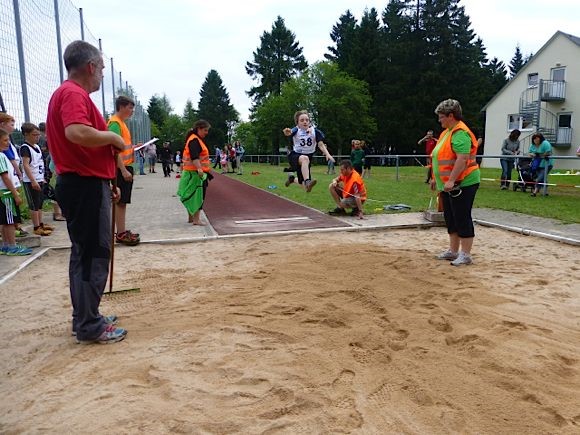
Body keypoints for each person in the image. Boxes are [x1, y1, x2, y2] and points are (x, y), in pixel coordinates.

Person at [46, 40, 128, 344]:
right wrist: (112, 138)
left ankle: (86, 316)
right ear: (91, 66)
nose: (103, 74)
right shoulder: (71, 93)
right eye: (102, 68)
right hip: (83, 185)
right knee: (93, 254)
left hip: (88, 184)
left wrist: (107, 185)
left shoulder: (70, 94)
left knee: (85, 253)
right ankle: (88, 324)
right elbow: (76, 132)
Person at [431, 99, 480, 267]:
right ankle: (453, 251)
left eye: (441, 117)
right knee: (450, 217)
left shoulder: (460, 132)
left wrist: (451, 180)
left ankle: (465, 254)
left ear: (451, 116)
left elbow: (462, 158)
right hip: (448, 184)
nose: (439, 120)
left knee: (462, 216)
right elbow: (439, 156)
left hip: (463, 183)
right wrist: (434, 178)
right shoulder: (447, 132)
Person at [107, 95, 140, 246]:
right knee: (119, 201)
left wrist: (134, 147)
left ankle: (121, 230)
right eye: (130, 107)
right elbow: (113, 150)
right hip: (121, 168)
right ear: (121, 106)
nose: (132, 111)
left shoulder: (121, 123)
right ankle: (119, 233)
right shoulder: (115, 124)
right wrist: (123, 170)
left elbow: (122, 147)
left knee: (123, 201)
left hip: (125, 166)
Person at [282, 110, 334, 192]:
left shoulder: (315, 132)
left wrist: (327, 154)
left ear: (309, 122)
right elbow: (289, 132)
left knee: (305, 187)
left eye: (307, 120)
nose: (305, 122)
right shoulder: (296, 130)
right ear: (298, 123)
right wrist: (287, 132)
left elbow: (320, 144)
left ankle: (292, 179)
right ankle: (307, 181)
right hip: (295, 156)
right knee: (304, 158)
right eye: (302, 120)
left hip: (306, 162)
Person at [0, 128, 32, 256]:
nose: (8, 143)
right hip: (6, 194)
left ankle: (6, 245)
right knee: (9, 221)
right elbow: (5, 177)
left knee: (4, 221)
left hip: (3, 193)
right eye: (5, 140)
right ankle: (12, 246)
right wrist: (15, 194)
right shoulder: (1, 156)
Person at [20, 122, 53, 236]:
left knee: (39, 203)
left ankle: (41, 223)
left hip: (39, 179)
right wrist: (33, 180)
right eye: (34, 135)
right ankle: (36, 227)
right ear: (26, 135)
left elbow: (39, 163)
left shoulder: (37, 147)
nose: (37, 137)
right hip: (31, 181)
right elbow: (26, 165)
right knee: (34, 205)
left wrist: (42, 177)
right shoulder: (25, 148)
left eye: (38, 134)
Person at [177, 120, 213, 226]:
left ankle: (191, 217)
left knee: (191, 194)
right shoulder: (195, 140)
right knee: (198, 196)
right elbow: (194, 156)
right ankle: (196, 219)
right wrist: (199, 169)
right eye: (205, 130)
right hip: (195, 174)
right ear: (199, 129)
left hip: (189, 172)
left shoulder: (193, 139)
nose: (206, 133)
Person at [0, 113, 28, 237]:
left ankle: (13, 232)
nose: (13, 127)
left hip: (8, 182)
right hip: (6, 187)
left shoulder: (7, 141)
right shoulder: (2, 149)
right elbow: (10, 160)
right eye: (11, 124)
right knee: (8, 217)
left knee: (8, 216)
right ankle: (10, 242)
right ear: (2, 124)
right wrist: (19, 171)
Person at [39, 122, 65, 221]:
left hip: (51, 163)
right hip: (52, 164)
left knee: (54, 188)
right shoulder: (50, 138)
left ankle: (59, 213)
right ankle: (58, 213)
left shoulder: (52, 137)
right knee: (54, 189)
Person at [529, 132, 553, 197]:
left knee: (539, 178)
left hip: (546, 164)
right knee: (543, 178)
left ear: (540, 139)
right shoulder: (532, 145)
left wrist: (539, 155)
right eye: (534, 139)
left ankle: (535, 192)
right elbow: (530, 152)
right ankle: (545, 191)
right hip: (537, 165)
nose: (535, 140)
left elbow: (549, 152)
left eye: (537, 139)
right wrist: (532, 154)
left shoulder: (545, 143)